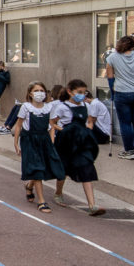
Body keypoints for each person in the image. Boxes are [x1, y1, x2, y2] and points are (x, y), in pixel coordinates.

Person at [52, 81, 105, 215]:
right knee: (63, 169)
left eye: (84, 92)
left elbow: (90, 121)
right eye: (79, 92)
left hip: (82, 142)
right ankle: (58, 193)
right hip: (66, 143)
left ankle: (92, 205)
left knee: (86, 167)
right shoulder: (62, 107)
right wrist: (63, 130)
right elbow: (52, 122)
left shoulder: (86, 106)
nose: (82, 95)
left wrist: (88, 129)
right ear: (70, 91)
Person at [12, 82, 65, 213]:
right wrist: (16, 143)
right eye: (36, 90)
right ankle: (42, 201)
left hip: (44, 139)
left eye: (42, 90)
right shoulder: (26, 107)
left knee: (53, 167)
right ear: (30, 93)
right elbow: (19, 125)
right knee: (37, 168)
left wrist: (52, 141)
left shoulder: (49, 107)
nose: (39, 93)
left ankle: (29, 185)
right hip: (29, 139)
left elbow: (52, 124)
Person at [105, 35, 134, 159]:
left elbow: (110, 77)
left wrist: (113, 92)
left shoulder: (112, 58)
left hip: (122, 93)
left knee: (125, 123)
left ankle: (129, 150)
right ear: (133, 45)